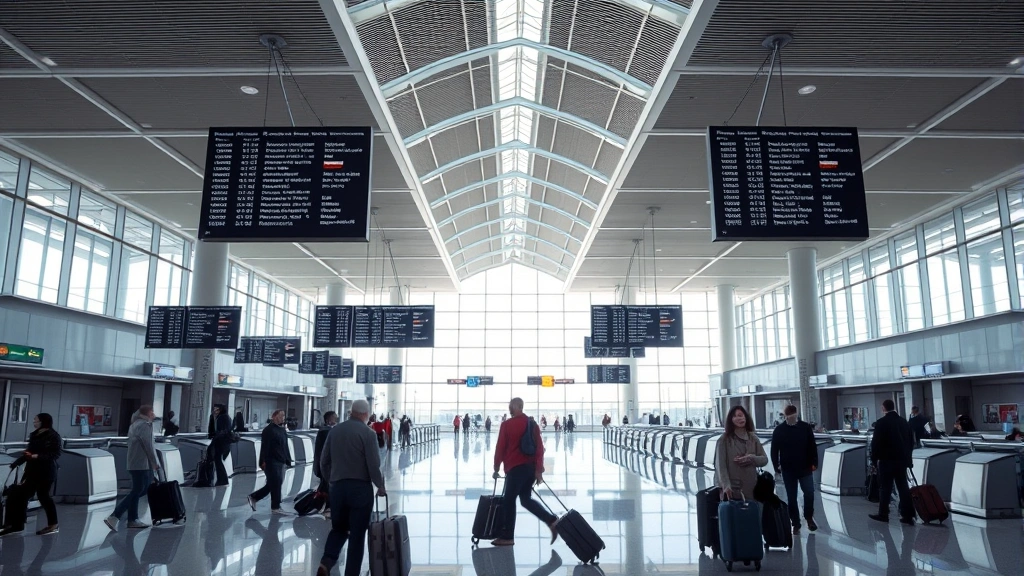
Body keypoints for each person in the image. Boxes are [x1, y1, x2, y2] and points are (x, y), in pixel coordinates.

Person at [317, 399, 385, 576]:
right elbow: (373, 465)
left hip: (338, 489)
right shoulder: (368, 434)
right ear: (365, 414)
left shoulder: (335, 431)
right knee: (357, 535)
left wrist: (332, 481)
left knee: (338, 528)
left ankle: (326, 562)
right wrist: (381, 485)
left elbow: (324, 461)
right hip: (360, 490)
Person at [491, 397, 558, 547]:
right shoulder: (532, 424)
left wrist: (496, 468)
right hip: (530, 469)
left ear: (515, 407)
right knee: (525, 499)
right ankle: (552, 521)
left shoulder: (507, 425)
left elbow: (500, 448)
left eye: (510, 406)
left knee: (508, 500)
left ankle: (507, 537)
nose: (509, 408)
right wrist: (538, 470)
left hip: (515, 469)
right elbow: (540, 448)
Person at [0, 413, 61, 536]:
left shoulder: (53, 436)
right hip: (32, 471)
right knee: (18, 495)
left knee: (43, 497)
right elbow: (30, 452)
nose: (34, 422)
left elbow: (54, 454)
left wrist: (36, 456)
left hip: (46, 472)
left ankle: (52, 524)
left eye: (36, 420)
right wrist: (16, 463)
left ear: (43, 421)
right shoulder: (35, 435)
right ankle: (15, 524)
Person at [105, 406, 161, 531]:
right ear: (148, 413)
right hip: (142, 464)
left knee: (138, 489)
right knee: (139, 490)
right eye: (152, 412)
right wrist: (154, 462)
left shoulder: (135, 424)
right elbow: (149, 446)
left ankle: (132, 519)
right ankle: (115, 516)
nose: (154, 414)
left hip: (134, 463)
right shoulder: (145, 425)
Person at [770, 405, 818, 534]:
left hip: (805, 467)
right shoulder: (779, 430)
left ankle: (808, 517)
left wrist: (814, 462)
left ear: (797, 414)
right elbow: (774, 450)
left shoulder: (805, 427)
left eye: (794, 416)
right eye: (789, 416)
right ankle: (795, 522)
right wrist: (776, 466)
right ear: (785, 416)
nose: (792, 418)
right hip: (788, 469)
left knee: (809, 493)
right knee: (791, 497)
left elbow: (812, 445)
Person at [869, 399, 916, 525]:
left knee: (885, 488)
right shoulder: (904, 422)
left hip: (886, 461)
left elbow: (876, 444)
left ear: (883, 408)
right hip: (901, 461)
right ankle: (908, 515)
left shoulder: (881, 423)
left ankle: (883, 514)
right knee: (903, 487)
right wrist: (908, 460)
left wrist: (874, 460)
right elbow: (911, 442)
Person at [715, 405, 769, 500]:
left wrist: (752, 458)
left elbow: (764, 460)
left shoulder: (753, 438)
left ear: (746, 418)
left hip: (752, 488)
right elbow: (720, 466)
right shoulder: (724, 440)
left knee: (752, 513)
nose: (739, 418)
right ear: (731, 420)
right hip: (732, 490)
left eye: (741, 415)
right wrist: (726, 486)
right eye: (735, 416)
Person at [247, 409, 293, 514]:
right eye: (281, 415)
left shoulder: (282, 430)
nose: (283, 418)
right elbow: (265, 447)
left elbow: (285, 446)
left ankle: (255, 498)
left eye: (284, 416)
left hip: (280, 460)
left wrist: (288, 459)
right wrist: (263, 461)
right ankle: (274, 506)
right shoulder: (268, 430)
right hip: (271, 460)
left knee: (275, 483)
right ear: (274, 416)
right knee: (275, 482)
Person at [208, 404, 233, 486]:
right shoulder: (225, 417)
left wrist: (214, 440)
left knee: (218, 460)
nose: (215, 411)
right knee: (218, 460)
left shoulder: (222, 417)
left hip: (221, 442)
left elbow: (222, 431)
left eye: (217, 409)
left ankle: (222, 479)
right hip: (224, 442)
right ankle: (222, 479)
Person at [314, 411, 339, 492]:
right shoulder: (325, 432)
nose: (336, 419)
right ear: (328, 420)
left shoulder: (326, 431)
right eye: (334, 417)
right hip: (326, 466)